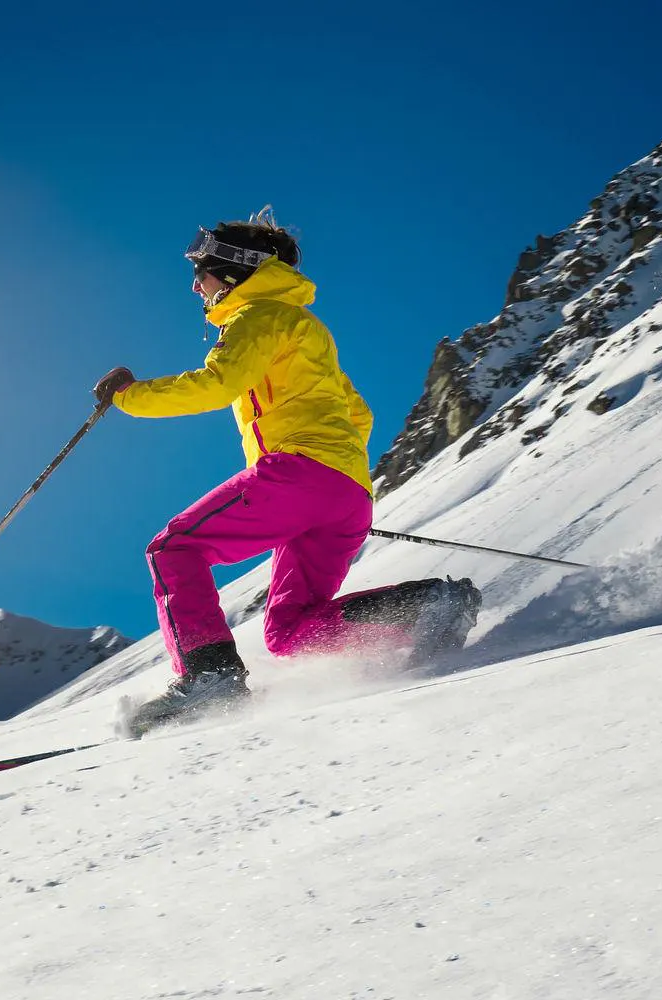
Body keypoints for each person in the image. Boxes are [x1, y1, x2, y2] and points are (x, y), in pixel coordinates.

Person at [94, 207, 482, 737]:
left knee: (174, 549)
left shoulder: (258, 317)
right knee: (290, 632)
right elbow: (358, 413)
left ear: (234, 270)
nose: (195, 286)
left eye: (200, 271)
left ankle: (209, 677)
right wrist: (334, 483)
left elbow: (217, 384)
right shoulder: (304, 328)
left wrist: (128, 398)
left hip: (299, 474)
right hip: (343, 489)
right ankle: (427, 606)